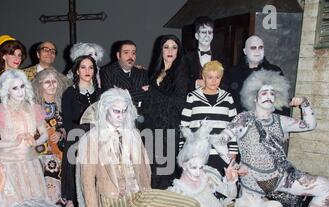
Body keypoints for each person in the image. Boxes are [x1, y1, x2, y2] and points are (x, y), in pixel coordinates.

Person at [212, 70, 329, 207]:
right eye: (264, 92)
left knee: (327, 188)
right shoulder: (244, 119)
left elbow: (310, 124)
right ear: (254, 97)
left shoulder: (281, 120)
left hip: (280, 177)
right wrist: (234, 166)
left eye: (272, 93)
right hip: (252, 184)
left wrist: (304, 103)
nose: (269, 96)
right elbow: (218, 141)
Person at [0, 70, 50, 205]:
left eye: (22, 86)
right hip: (8, 165)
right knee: (13, 206)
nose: (20, 91)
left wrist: (35, 141)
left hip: (30, 163)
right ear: (7, 90)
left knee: (34, 205)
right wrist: (12, 143)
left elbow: (45, 134)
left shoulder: (34, 108)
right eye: (14, 88)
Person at [180, 61, 238, 176]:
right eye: (210, 77)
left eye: (217, 77)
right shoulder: (192, 97)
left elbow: (233, 127)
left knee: (221, 188)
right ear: (203, 77)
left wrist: (233, 151)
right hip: (197, 153)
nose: (214, 81)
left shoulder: (228, 98)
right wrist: (183, 152)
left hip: (221, 154)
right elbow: (184, 126)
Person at [61, 55, 101, 207]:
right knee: (77, 176)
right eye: (83, 67)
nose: (87, 71)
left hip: (97, 140)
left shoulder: (100, 92)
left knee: (95, 178)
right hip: (76, 139)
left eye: (90, 67)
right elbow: (68, 123)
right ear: (77, 70)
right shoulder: (69, 93)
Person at [146, 35, 186, 189]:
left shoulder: (181, 74)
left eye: (174, 47)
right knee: (151, 174)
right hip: (152, 129)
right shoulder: (154, 73)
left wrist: (152, 92)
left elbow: (180, 103)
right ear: (160, 50)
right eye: (166, 47)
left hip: (169, 130)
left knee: (165, 176)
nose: (170, 51)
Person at [31, 69, 69, 207]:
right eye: (47, 82)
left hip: (59, 152)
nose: (52, 85)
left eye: (54, 81)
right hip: (40, 153)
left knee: (59, 184)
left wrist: (60, 132)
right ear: (39, 85)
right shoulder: (34, 106)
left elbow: (69, 124)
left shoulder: (63, 104)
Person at [224, 35, 283, 113]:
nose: (257, 51)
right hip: (240, 122)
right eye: (253, 48)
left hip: (268, 121)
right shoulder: (232, 73)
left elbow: (282, 102)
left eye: (260, 47)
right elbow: (225, 100)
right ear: (245, 51)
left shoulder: (275, 71)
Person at [100, 40, 149, 125]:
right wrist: (141, 91)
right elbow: (112, 99)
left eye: (133, 53)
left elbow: (149, 96)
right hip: (119, 121)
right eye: (126, 53)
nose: (131, 56)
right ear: (118, 55)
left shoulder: (142, 72)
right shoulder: (107, 71)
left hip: (142, 121)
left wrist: (122, 92)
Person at [178, 16, 224, 94]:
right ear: (196, 36)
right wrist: (196, 83)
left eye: (210, 32)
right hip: (192, 101)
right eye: (203, 32)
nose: (207, 36)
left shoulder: (221, 57)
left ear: (212, 36)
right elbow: (181, 82)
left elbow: (226, 82)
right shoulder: (186, 58)